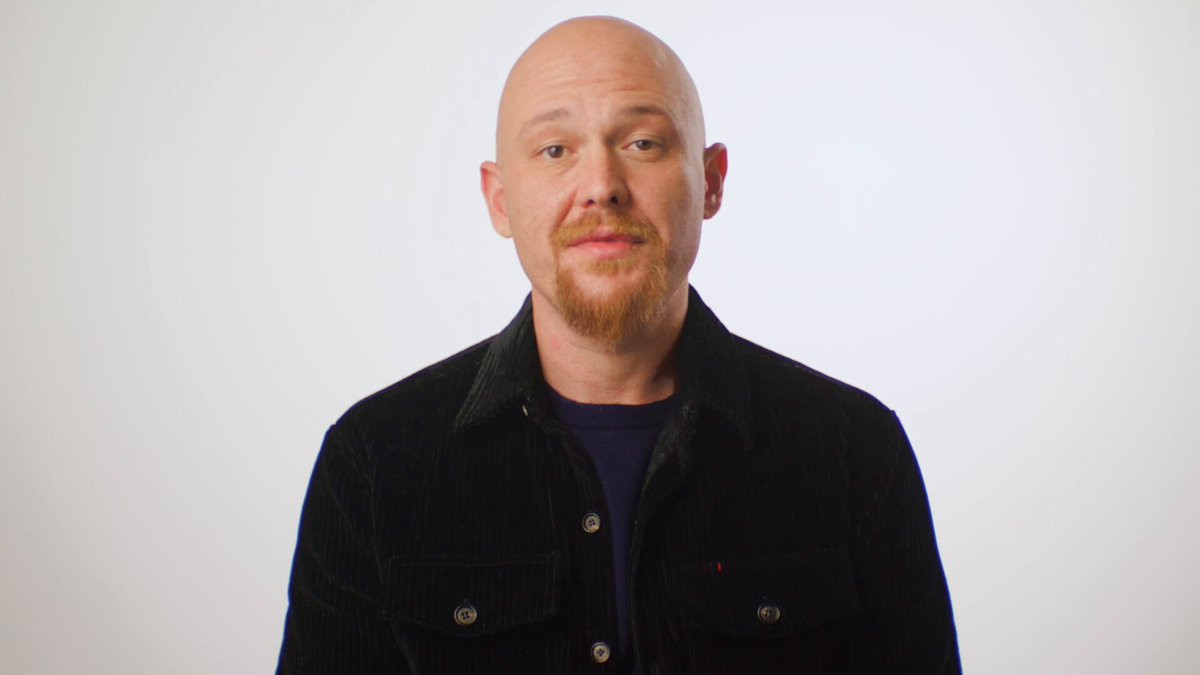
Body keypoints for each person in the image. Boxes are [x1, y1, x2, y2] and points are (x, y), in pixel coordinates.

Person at [277, 15, 959, 674]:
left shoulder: (853, 450)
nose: (601, 186)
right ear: (500, 200)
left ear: (711, 180)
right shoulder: (374, 461)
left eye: (643, 143)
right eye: (555, 150)